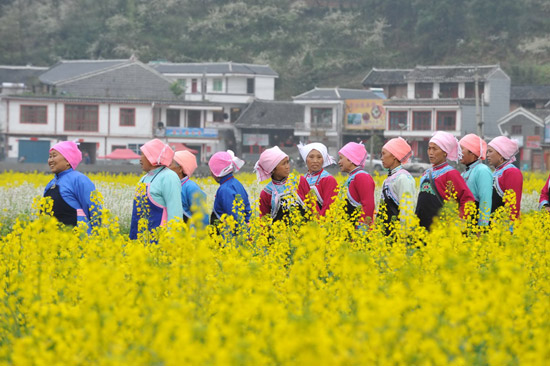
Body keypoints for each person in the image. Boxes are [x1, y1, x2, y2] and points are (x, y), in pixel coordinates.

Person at [415, 131, 475, 230]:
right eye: (429, 148)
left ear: (444, 152)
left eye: (435, 149)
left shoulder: (451, 173)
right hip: (421, 229)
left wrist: (460, 220)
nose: (431, 152)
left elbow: (467, 199)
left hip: (441, 229)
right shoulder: (426, 173)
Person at [129, 139, 183, 240]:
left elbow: (175, 213)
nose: (140, 159)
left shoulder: (169, 177)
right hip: (141, 243)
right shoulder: (144, 178)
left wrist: (173, 243)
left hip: (160, 242)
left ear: (152, 156)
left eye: (143, 155)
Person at [44, 141, 100, 231]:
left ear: (67, 160)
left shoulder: (79, 180)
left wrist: (98, 236)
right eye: (50, 156)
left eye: (54, 156)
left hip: (77, 238)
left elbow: (94, 210)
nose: (50, 160)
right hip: (53, 240)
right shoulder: (50, 184)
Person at [255, 146, 309, 222]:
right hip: (280, 233)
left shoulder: (299, 181)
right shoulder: (267, 193)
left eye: (287, 162)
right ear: (272, 169)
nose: (288, 167)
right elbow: (264, 221)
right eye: (284, 164)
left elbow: (312, 205)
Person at [379, 137, 416, 230]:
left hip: (396, 235)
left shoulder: (403, 178)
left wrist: (404, 237)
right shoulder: (389, 178)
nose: (381, 158)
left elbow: (406, 211)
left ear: (394, 156)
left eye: (384, 154)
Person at [208, 150, 251, 225]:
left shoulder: (225, 189)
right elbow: (247, 209)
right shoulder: (237, 183)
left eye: (211, 170)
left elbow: (232, 216)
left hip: (229, 234)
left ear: (216, 172)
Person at [338, 142, 376, 226]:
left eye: (341, 158)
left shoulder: (362, 176)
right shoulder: (353, 177)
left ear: (350, 159)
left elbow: (368, 205)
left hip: (357, 232)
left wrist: (361, 231)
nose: (339, 162)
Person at [459, 134, 493, 226]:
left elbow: (485, 201)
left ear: (472, 152)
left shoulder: (482, 170)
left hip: (475, 224)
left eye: (461, 149)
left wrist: (482, 228)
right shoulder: (464, 172)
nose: (459, 152)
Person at [486, 136, 523, 221]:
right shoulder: (497, 171)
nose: (487, 155)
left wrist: (509, 228)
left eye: (490, 151)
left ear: (501, 154)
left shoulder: (511, 172)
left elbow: (513, 206)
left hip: (502, 228)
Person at [297, 142, 338, 216]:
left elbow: (329, 206)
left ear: (323, 159)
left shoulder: (328, 179)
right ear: (306, 159)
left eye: (319, 157)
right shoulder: (301, 180)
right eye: (311, 157)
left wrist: (319, 223)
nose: (315, 161)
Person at [169, 150, 208, 226]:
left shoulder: (191, 187)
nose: (166, 167)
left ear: (180, 169)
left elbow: (202, 217)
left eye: (170, 164)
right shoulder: (170, 185)